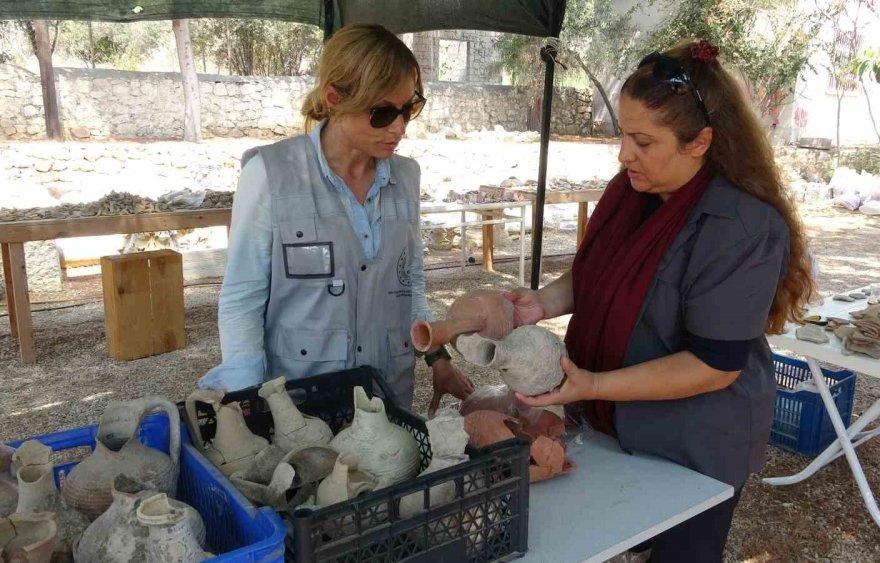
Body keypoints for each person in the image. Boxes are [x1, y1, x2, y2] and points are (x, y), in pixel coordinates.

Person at [505, 40, 815, 562]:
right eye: (623, 135)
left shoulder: (740, 227)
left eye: (643, 141)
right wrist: (540, 303)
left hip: (697, 439)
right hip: (614, 420)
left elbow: (715, 366)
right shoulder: (630, 190)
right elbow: (595, 277)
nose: (624, 153)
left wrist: (595, 384)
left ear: (700, 143)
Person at [198, 24, 474, 414]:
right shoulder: (269, 174)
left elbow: (407, 281)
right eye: (382, 113)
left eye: (409, 109)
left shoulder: (406, 177)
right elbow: (242, 297)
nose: (399, 127)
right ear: (333, 98)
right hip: (300, 401)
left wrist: (437, 358)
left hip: (387, 395)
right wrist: (249, 398)